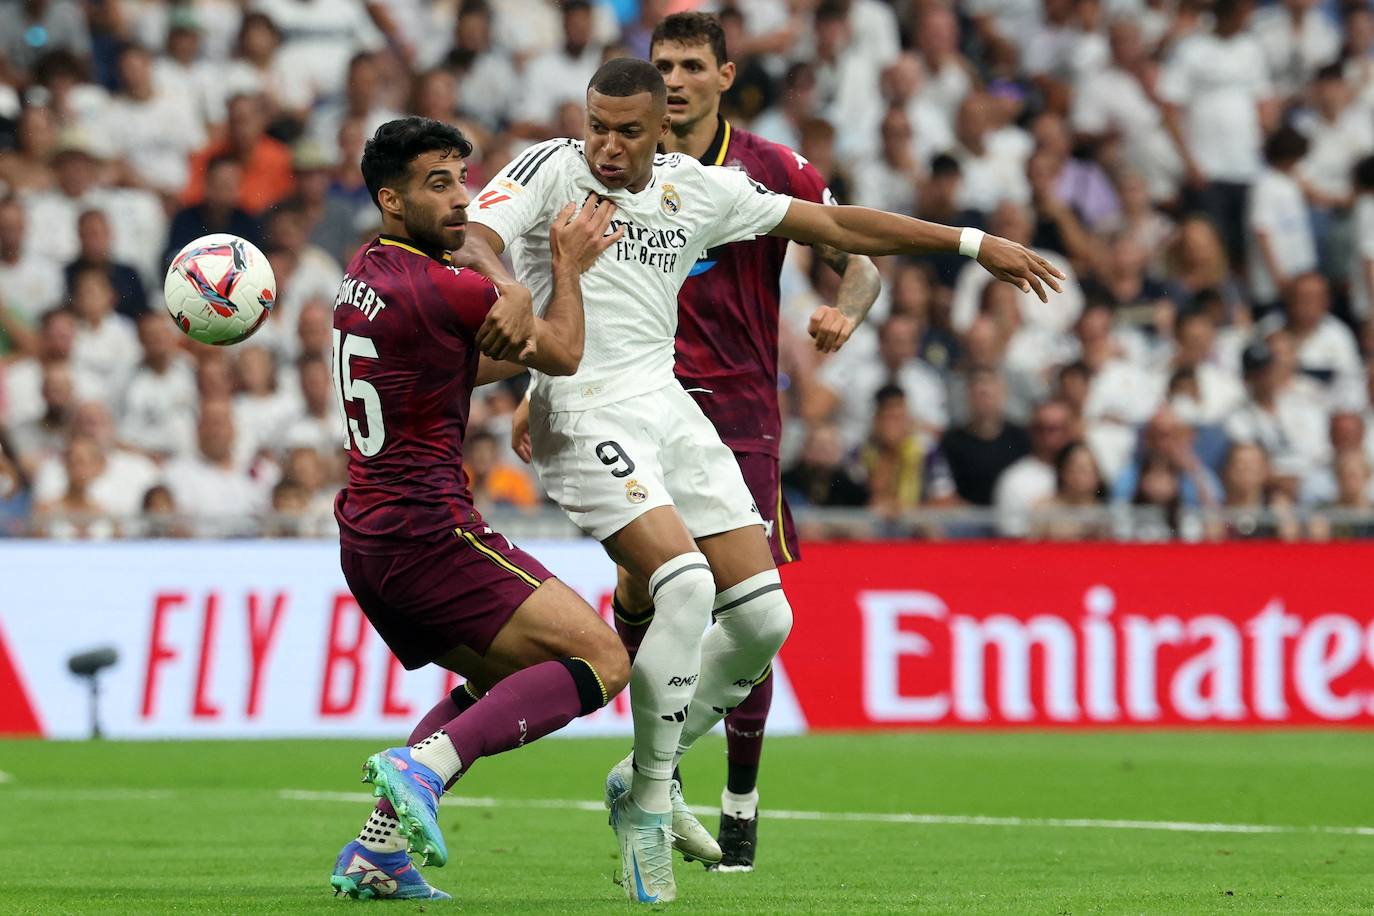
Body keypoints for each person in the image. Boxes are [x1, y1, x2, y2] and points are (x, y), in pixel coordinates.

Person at [463, 58, 1060, 903]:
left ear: (662, 131)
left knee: (764, 620)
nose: (607, 144)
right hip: (581, 407)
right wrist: (504, 289)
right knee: (682, 589)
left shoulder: (699, 191)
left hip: (665, 408)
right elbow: (478, 233)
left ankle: (642, 773)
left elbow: (838, 227)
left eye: (628, 130)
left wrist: (970, 244)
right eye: (598, 123)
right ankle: (645, 808)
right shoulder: (549, 165)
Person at [488, 13, 882, 872]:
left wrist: (846, 310)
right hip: (619, 398)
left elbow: (854, 245)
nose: (672, 77)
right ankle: (650, 782)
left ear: (724, 76)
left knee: (751, 607)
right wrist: (540, 381)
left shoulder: (765, 168)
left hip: (732, 412)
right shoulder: (585, 174)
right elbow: (555, 291)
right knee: (663, 586)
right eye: (660, 63)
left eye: (688, 66)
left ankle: (725, 799)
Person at [325, 117, 630, 902]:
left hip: (370, 539)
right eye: (438, 185)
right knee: (601, 661)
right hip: (432, 533)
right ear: (390, 199)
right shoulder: (443, 284)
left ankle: (376, 851)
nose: (461, 200)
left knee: (506, 688)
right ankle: (419, 768)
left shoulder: (368, 268)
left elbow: (462, 360)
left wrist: (511, 304)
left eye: (463, 180)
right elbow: (559, 351)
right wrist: (555, 270)